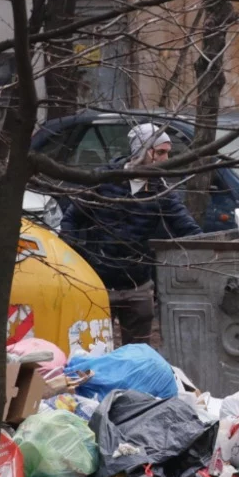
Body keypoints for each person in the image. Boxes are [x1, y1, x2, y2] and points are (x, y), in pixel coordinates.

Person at [60, 122, 204, 346]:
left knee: (137, 355)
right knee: (93, 351)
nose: (166, 159)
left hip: (137, 285)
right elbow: (71, 220)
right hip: (98, 285)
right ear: (141, 150)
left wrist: (218, 247)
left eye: (168, 153)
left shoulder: (161, 190)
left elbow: (187, 228)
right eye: (160, 152)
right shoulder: (104, 180)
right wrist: (83, 260)